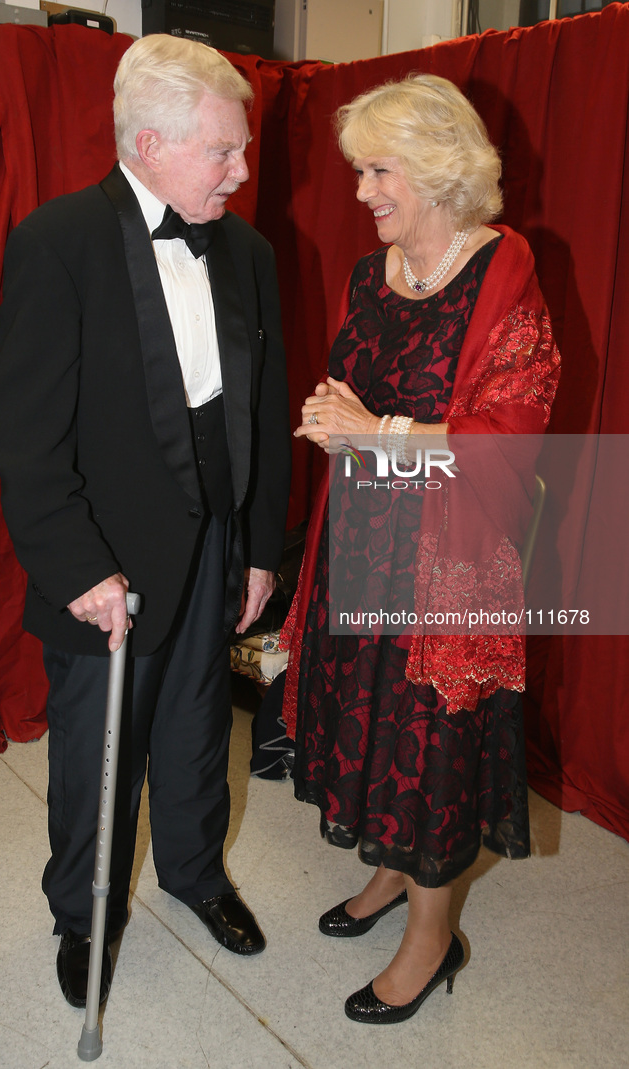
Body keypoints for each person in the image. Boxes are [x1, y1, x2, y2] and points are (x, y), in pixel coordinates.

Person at [0, 34, 290, 1007]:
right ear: (150, 142)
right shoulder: (56, 240)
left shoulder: (246, 249)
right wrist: (78, 567)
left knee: (201, 724)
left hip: (212, 540)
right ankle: (84, 911)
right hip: (104, 552)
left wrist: (256, 549)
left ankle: (195, 873)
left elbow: (263, 412)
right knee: (94, 750)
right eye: (223, 152)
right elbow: (24, 438)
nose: (242, 172)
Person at [285, 74, 560, 1024]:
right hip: (364, 537)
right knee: (370, 720)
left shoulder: (504, 270)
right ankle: (393, 872)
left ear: (441, 172)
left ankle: (433, 935)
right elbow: (354, 392)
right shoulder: (375, 273)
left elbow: (516, 433)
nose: (362, 191)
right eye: (360, 168)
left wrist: (380, 432)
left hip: (451, 559)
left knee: (432, 742)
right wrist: (332, 420)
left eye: (379, 169)